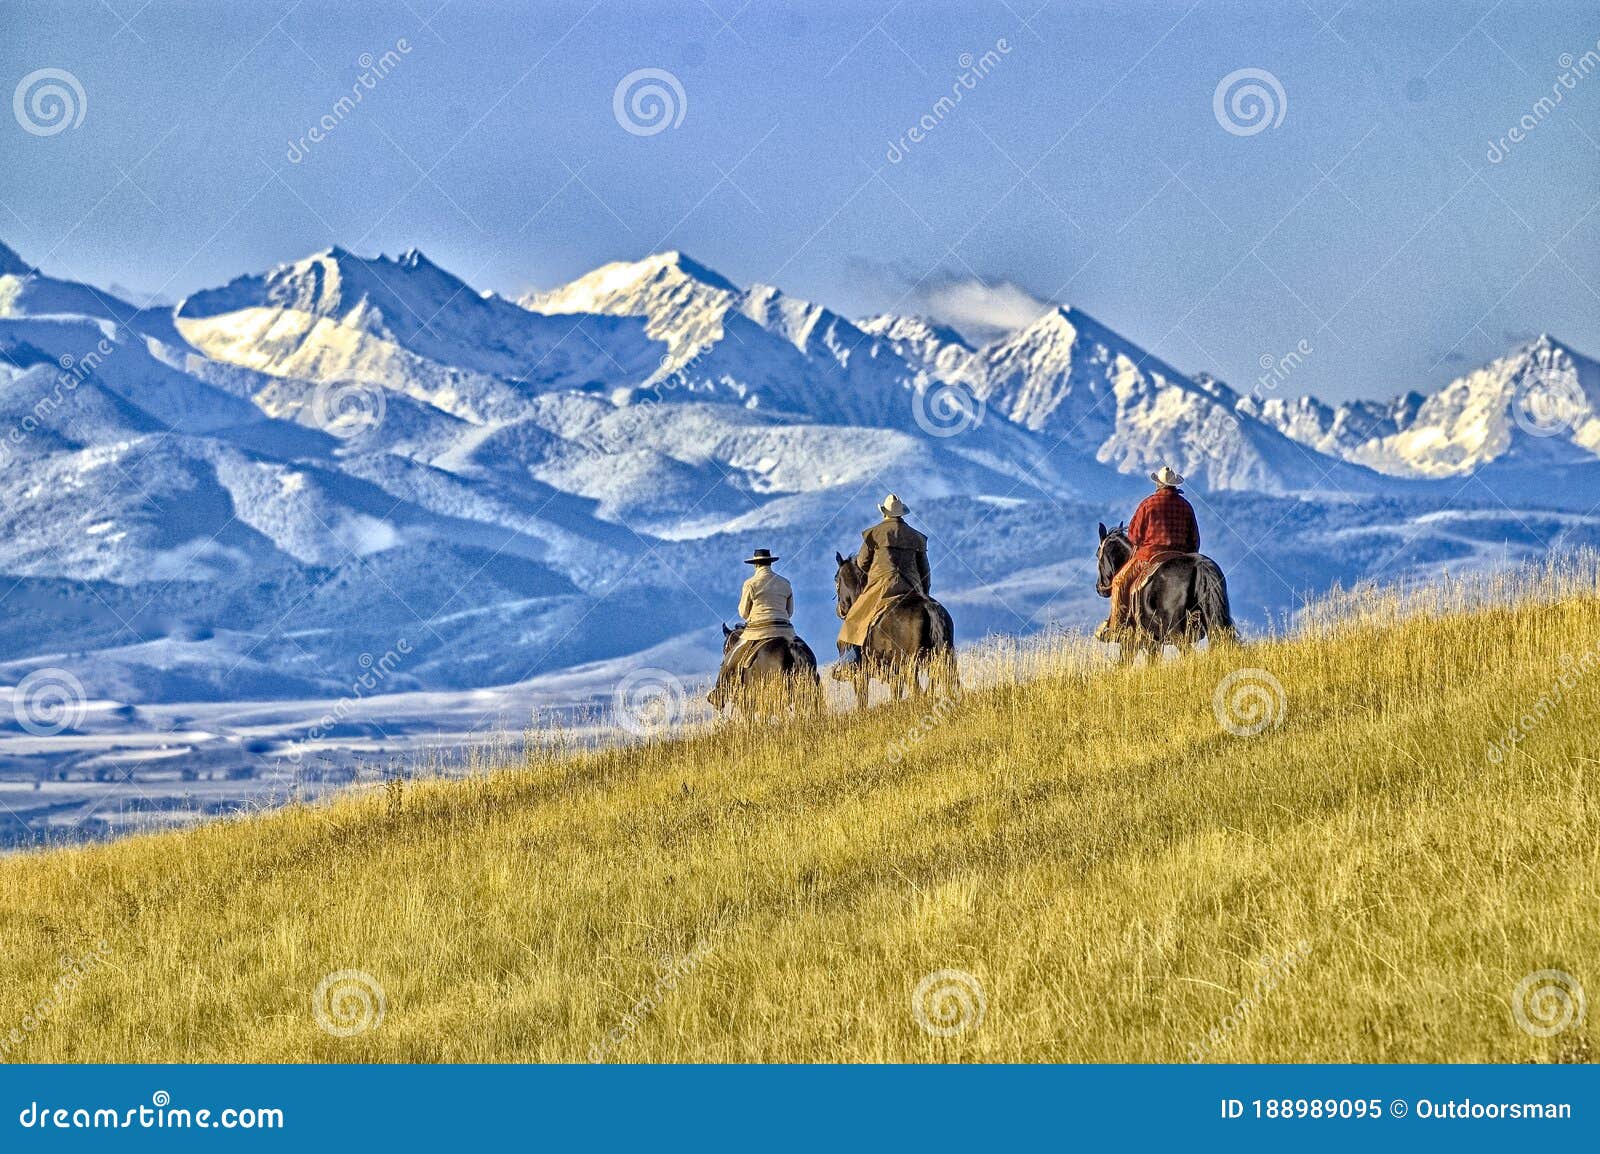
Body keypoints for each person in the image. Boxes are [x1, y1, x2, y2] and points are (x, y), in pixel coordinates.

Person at [1096, 465, 1200, 641]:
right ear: (1174, 485)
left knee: (1119, 582)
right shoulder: (1185, 506)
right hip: (1182, 558)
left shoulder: (1148, 504)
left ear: (1158, 484)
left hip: (1150, 556)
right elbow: (1195, 540)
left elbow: (1134, 536)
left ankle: (1118, 627)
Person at [835, 493, 930, 675]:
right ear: (901, 514)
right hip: (913, 587)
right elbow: (925, 570)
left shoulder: (874, 534)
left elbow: (862, 564)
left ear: (884, 513)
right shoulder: (916, 536)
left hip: (883, 586)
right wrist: (923, 592)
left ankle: (850, 662)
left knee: (853, 618)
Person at [709, 548, 795, 706]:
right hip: (786, 631)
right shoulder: (785, 583)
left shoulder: (750, 584)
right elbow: (790, 612)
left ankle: (719, 694)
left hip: (758, 630)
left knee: (730, 659)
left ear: (755, 565)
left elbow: (743, 612)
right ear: (770, 563)